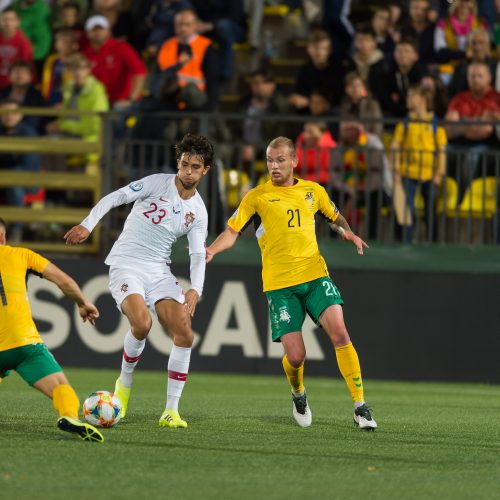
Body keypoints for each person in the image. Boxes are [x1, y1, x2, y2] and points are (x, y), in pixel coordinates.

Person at [206, 136, 377, 431]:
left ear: (295, 161)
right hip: (280, 285)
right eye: (270, 160)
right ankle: (298, 393)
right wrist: (211, 249)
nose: (274, 166)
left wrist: (348, 233)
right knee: (296, 356)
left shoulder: (313, 191)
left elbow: (334, 217)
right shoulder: (256, 197)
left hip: (314, 275)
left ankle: (360, 406)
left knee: (340, 333)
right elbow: (232, 232)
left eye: (280, 160)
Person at [64, 133, 213, 429]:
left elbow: (197, 254)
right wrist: (87, 224)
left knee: (184, 333)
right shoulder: (157, 182)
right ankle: (125, 382)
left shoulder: (198, 212)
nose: (188, 171)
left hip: (158, 270)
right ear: (178, 162)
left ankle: (171, 411)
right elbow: (116, 196)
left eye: (195, 167)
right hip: (126, 264)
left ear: (205, 170)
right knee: (142, 324)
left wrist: (197, 288)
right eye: (184, 164)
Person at [0, 217, 104, 443]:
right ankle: (69, 417)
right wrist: (83, 302)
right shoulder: (22, 254)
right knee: (60, 386)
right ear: (3, 237)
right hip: (23, 343)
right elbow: (64, 281)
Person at [391, 85, 447, 243]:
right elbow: (395, 147)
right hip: (407, 173)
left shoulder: (436, 124)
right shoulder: (405, 124)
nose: (408, 99)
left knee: (430, 211)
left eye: (411, 96)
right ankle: (405, 243)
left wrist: (439, 174)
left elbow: (441, 151)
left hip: (429, 175)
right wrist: (395, 172)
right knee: (405, 211)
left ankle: (433, 244)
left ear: (422, 99)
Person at [0, 8, 33, 91]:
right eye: (4, 19)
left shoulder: (24, 43)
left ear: (18, 22)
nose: (7, 23)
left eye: (11, 19)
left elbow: (26, 69)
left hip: (13, 89)